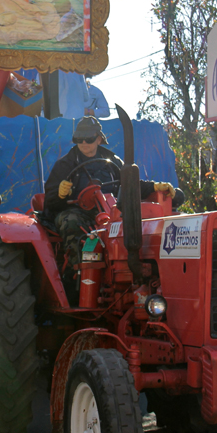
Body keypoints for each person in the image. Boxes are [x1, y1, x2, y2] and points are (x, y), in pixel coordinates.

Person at [42, 116, 174, 300]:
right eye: (80, 139)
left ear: (98, 139)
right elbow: (49, 202)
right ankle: (75, 279)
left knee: (137, 225)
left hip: (109, 212)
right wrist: (60, 193)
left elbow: (130, 182)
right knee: (71, 222)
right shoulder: (65, 165)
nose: (84, 143)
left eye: (88, 139)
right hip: (76, 213)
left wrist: (154, 187)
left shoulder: (111, 161)